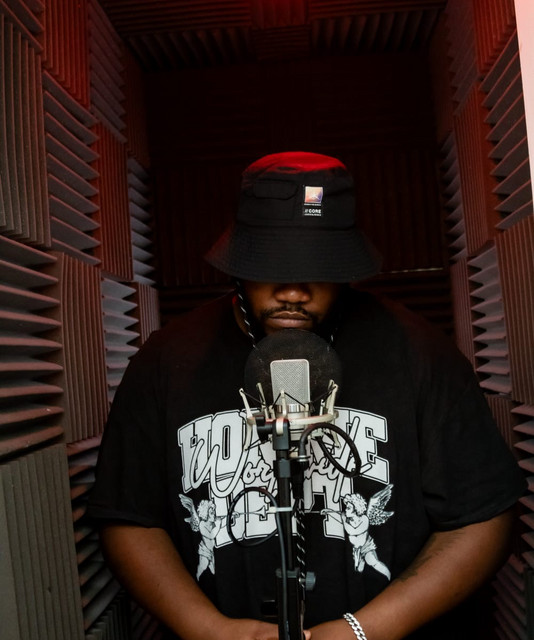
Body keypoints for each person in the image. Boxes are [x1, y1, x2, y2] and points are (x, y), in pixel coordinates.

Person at [88, 151, 525, 640]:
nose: (294, 292)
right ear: (239, 264)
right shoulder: (165, 361)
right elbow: (128, 517)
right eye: (271, 266)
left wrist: (369, 629)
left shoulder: (419, 352)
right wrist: (207, 629)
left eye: (317, 267)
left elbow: (483, 517)